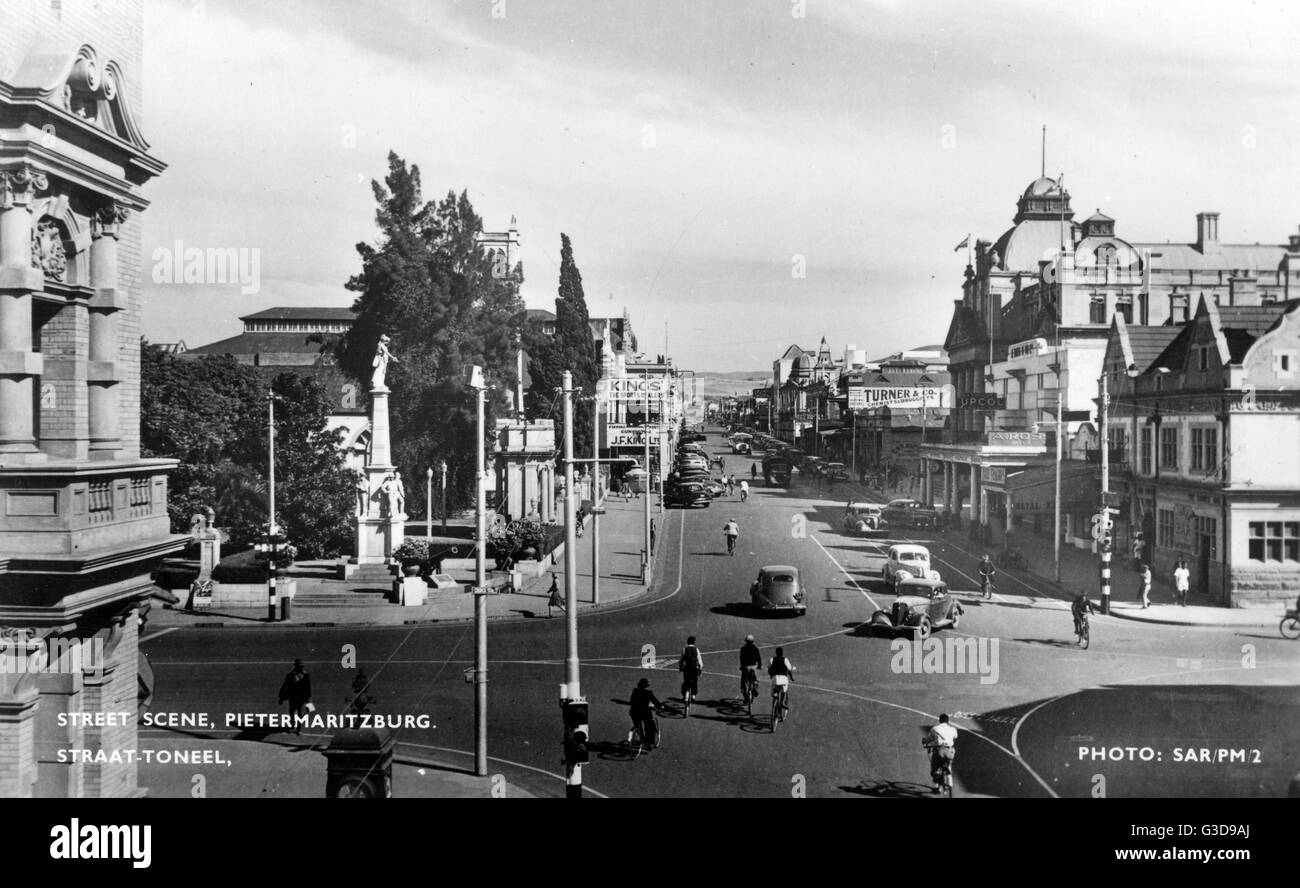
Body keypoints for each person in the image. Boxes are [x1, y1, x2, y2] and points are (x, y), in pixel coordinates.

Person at [923, 714, 958, 794]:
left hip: (940, 751)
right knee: (949, 765)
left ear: (939, 720)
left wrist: (926, 742)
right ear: (948, 721)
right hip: (950, 752)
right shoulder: (953, 729)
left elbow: (928, 739)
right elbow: (955, 737)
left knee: (934, 768)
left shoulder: (935, 728)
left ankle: (937, 786)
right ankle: (950, 783)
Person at [277, 659, 312, 736]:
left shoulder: (305, 675)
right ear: (296, 666)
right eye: (300, 666)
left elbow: (307, 688)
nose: (302, 667)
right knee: (292, 713)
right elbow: (285, 686)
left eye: (302, 666)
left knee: (300, 714)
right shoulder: (291, 675)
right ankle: (293, 726)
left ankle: (298, 729)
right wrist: (281, 697)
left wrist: (308, 701)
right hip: (293, 698)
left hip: (301, 699)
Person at [629, 677, 662, 748]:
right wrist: (660, 706)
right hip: (644, 712)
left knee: (638, 726)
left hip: (634, 712)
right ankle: (650, 743)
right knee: (650, 726)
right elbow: (655, 701)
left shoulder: (635, 691)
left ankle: (641, 739)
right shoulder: (648, 693)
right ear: (646, 686)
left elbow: (631, 700)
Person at [768, 646, 795, 712]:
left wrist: (771, 675)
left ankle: (774, 704)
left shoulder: (772, 659)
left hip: (775, 678)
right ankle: (782, 703)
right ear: (782, 653)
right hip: (783, 679)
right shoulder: (785, 660)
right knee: (784, 691)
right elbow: (789, 670)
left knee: (774, 692)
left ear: (776, 653)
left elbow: (769, 669)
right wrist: (791, 677)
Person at [738, 634, 762, 702]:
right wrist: (759, 666)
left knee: (744, 681)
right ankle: (755, 688)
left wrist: (742, 666)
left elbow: (741, 659)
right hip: (754, 667)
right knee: (756, 678)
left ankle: (746, 697)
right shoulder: (756, 649)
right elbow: (759, 658)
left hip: (746, 667)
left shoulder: (743, 649)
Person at [679, 636, 703, 700]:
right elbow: (700, 662)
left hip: (687, 668)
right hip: (694, 668)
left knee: (686, 681)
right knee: (694, 682)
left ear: (687, 642)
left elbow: (681, 661)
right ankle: (693, 695)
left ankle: (684, 695)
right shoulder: (696, 649)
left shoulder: (684, 649)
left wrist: (680, 667)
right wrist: (700, 670)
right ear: (694, 642)